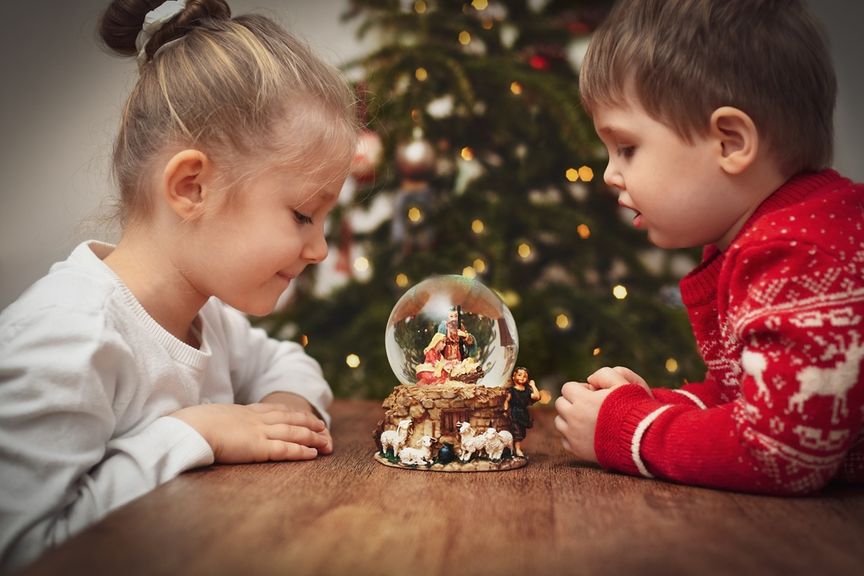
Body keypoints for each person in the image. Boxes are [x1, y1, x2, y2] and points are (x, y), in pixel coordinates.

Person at [0, 0, 358, 570]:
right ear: (192, 186)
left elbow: (286, 362)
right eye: (301, 215)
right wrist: (195, 433)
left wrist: (282, 410)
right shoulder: (67, 338)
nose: (317, 249)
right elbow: (23, 549)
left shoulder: (207, 317)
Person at [554, 0, 864, 495]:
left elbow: (778, 453)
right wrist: (652, 403)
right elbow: (738, 399)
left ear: (730, 143)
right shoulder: (768, 239)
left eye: (627, 148)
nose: (610, 174)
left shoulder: (802, 253)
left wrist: (623, 429)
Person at [505, 367, 541, 457]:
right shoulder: (512, 390)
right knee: (517, 432)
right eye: (519, 375)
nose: (522, 377)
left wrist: (533, 385)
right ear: (514, 376)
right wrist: (505, 410)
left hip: (523, 413)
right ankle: (517, 450)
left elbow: (537, 397)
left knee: (521, 432)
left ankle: (514, 449)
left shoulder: (527, 390)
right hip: (514, 413)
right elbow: (506, 400)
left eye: (525, 376)